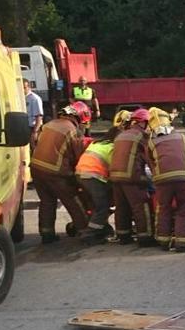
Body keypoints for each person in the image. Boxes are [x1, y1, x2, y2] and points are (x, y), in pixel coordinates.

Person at [30, 103, 90, 244]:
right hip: (55, 172)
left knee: (47, 201)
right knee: (73, 200)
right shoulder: (72, 130)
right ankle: (85, 232)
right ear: (78, 116)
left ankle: (47, 234)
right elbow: (78, 156)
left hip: (36, 169)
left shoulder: (49, 124)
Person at [146, 107, 185, 252]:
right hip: (184, 179)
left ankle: (163, 240)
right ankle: (183, 242)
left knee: (163, 208)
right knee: (184, 209)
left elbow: (151, 163)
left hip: (162, 181)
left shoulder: (151, 143)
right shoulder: (183, 137)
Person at [76, 114, 129, 245]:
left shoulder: (98, 143)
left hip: (80, 174)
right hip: (94, 176)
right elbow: (116, 170)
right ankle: (89, 234)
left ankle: (102, 228)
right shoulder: (113, 148)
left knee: (98, 204)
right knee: (103, 207)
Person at [111, 108, 156, 247]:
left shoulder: (121, 135)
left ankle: (123, 235)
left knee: (122, 206)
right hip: (132, 177)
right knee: (141, 206)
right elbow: (150, 158)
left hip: (115, 176)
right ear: (144, 122)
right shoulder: (142, 136)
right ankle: (145, 237)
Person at [24, 79, 43, 152]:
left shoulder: (34, 98)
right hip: (25, 127)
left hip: (34, 128)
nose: (22, 90)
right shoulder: (23, 98)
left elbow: (39, 116)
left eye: (24, 87)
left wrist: (35, 132)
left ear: (29, 87)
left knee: (35, 149)